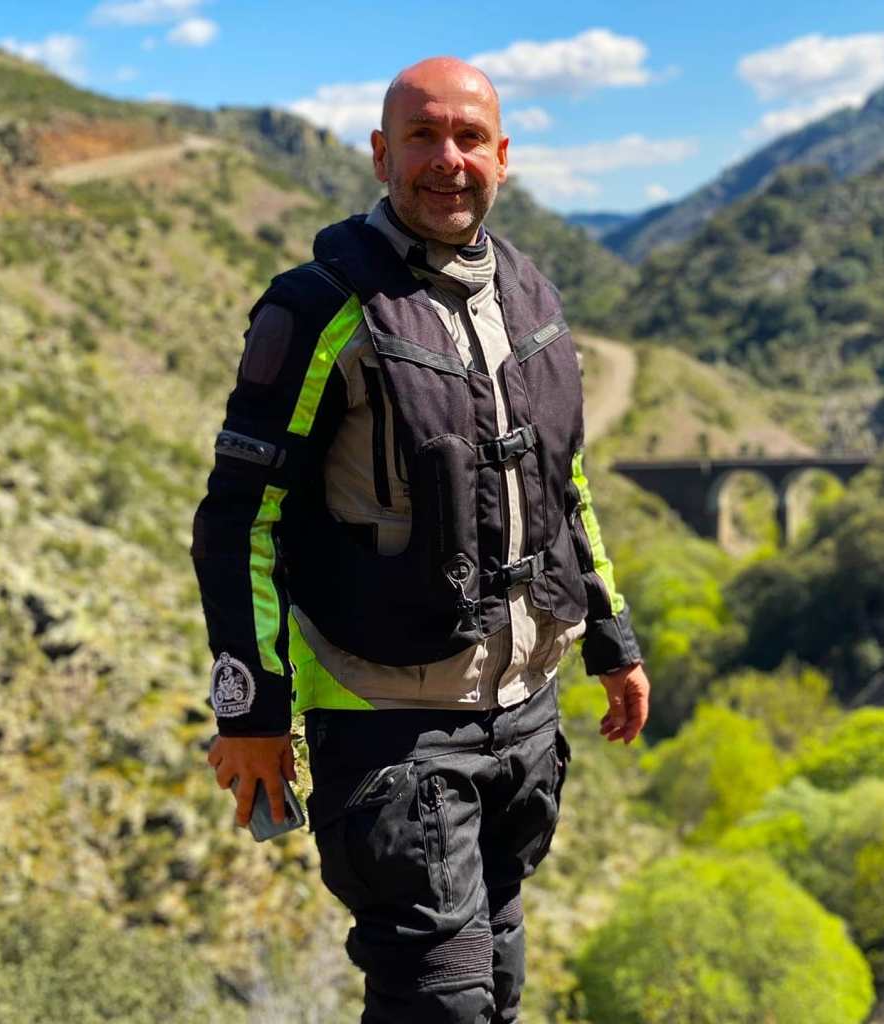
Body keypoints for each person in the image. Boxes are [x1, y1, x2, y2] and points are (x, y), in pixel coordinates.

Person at [194, 55, 650, 1024]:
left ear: (502, 156)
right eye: (422, 137)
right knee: (436, 1003)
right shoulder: (318, 308)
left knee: (499, 980)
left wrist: (613, 640)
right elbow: (239, 519)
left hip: (525, 713)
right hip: (387, 717)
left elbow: (563, 483)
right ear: (380, 154)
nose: (448, 160)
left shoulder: (530, 294)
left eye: (469, 138)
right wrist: (250, 711)